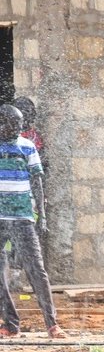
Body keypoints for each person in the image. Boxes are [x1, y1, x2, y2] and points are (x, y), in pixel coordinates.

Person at [0, 104, 65, 339]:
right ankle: (10, 324)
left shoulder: (27, 147)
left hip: (23, 217)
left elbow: (37, 183)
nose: (18, 128)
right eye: (12, 124)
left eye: (19, 124)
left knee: (36, 270)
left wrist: (42, 216)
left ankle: (52, 323)